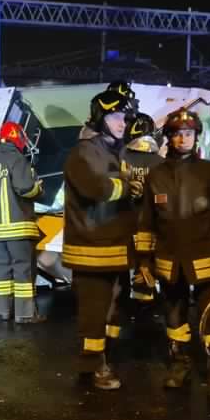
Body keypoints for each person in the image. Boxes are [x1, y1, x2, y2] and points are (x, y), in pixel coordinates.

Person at [135, 108, 210, 400]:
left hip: (206, 257)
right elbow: (146, 220)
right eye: (177, 134)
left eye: (188, 134)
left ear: (196, 136)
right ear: (169, 138)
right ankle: (180, 363)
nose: (183, 139)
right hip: (169, 259)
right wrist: (143, 260)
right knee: (173, 313)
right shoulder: (156, 175)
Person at [62, 81, 142, 390]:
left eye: (125, 117)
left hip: (115, 247)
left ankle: (104, 355)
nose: (123, 123)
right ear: (100, 118)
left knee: (112, 309)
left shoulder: (116, 150)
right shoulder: (83, 153)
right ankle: (93, 364)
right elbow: (95, 188)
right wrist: (127, 185)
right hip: (92, 248)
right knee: (94, 311)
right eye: (115, 117)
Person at [0, 121, 45, 323]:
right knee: (23, 271)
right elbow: (26, 188)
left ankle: (5, 311)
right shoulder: (18, 160)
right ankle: (25, 314)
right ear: (17, 138)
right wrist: (38, 187)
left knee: (2, 272)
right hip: (19, 227)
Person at [121, 113, 165, 308]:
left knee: (121, 264)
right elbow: (164, 197)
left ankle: (120, 302)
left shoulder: (120, 158)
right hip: (150, 225)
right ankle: (144, 299)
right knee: (146, 263)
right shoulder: (161, 163)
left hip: (123, 221)